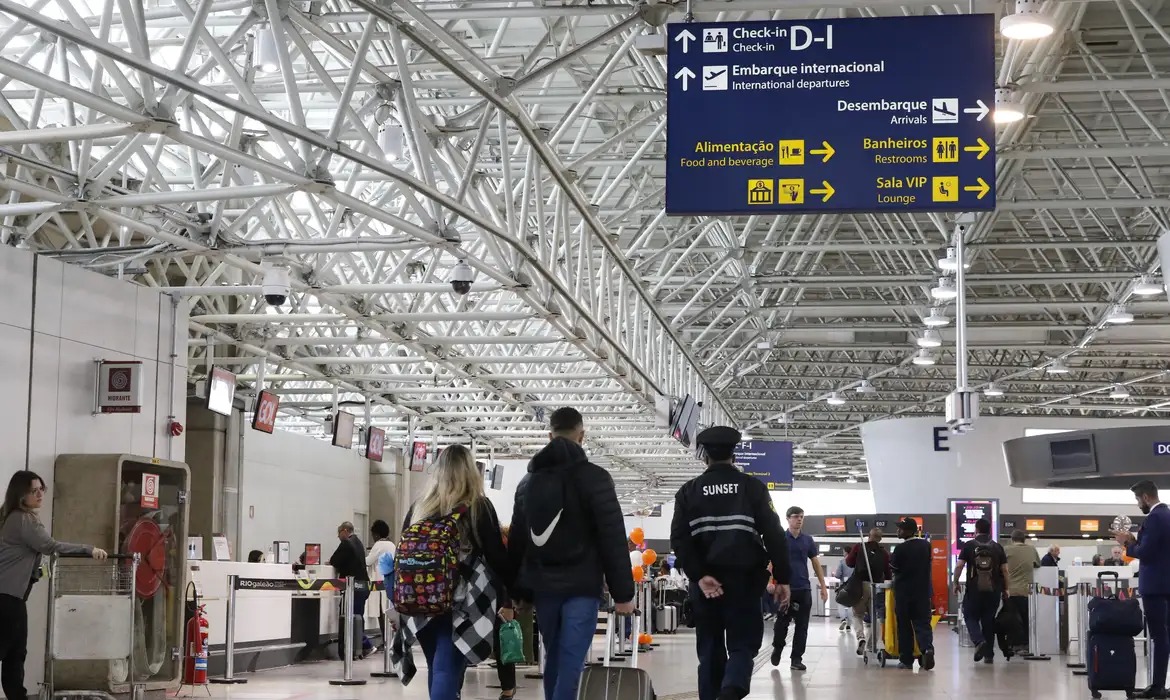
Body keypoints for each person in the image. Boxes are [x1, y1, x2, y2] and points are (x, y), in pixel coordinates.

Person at [509, 407, 634, 700]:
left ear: (550, 436)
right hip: (582, 586)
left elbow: (517, 542)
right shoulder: (596, 478)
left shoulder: (528, 483)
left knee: (554, 654)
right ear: (582, 436)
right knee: (571, 659)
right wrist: (623, 594)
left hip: (544, 587)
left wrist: (516, 592)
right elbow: (613, 537)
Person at [670, 426, 790, 700]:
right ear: (734, 455)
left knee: (709, 648)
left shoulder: (688, 492)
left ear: (705, 457)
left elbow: (679, 540)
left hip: (705, 587)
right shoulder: (753, 488)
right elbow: (774, 535)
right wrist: (783, 578)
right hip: (745, 583)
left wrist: (699, 576)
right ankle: (731, 690)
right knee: (743, 645)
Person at [398, 445, 514, 700]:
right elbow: (498, 559)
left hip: (419, 599)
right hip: (461, 602)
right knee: (445, 669)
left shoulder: (419, 507)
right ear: (470, 472)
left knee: (437, 666)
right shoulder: (478, 507)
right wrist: (513, 594)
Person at [0, 471, 108, 700]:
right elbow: (50, 546)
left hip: (10, 595)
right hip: (7, 597)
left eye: (42, 489)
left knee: (14, 653)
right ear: (21, 495)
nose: (40, 494)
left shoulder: (11, 516)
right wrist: (88, 549)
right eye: (34, 490)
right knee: (12, 652)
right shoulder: (23, 519)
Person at [1115, 480, 1169, 699]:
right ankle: (1159, 685)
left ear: (1146, 497)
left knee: (1159, 636)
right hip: (1166, 583)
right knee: (1166, 634)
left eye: (1138, 500)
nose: (1138, 504)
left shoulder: (1154, 518)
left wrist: (1126, 544)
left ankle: (1157, 686)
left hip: (1155, 586)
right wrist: (1134, 540)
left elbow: (1145, 553)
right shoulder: (1167, 515)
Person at [770, 506, 826, 671]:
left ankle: (796, 659)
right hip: (785, 587)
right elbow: (772, 562)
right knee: (781, 623)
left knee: (802, 626)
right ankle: (778, 647)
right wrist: (770, 582)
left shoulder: (807, 540)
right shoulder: (781, 538)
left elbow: (815, 563)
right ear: (788, 518)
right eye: (795, 516)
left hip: (803, 588)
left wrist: (823, 586)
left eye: (801, 516)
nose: (799, 519)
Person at [953, 518, 1009, 664]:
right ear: (989, 530)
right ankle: (989, 655)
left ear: (976, 530)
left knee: (970, 615)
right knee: (988, 619)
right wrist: (1006, 588)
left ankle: (979, 641)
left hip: (974, 590)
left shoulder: (969, 545)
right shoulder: (997, 547)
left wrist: (955, 582)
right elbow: (1005, 570)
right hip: (993, 589)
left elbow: (959, 566)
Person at [890, 517, 935, 670]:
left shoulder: (900, 549)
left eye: (900, 529)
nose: (898, 531)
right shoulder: (926, 545)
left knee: (904, 626)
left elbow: (894, 569)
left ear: (908, 531)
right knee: (923, 623)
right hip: (922, 592)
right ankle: (927, 649)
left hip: (904, 593)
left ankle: (906, 660)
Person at [329, 521, 372, 659]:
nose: (338, 536)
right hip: (363, 585)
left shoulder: (346, 543)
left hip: (353, 587)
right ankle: (359, 649)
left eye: (339, 533)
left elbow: (334, 561)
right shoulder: (358, 542)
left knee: (349, 617)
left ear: (345, 531)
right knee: (358, 617)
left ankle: (363, 646)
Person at [846, 528, 891, 655]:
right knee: (875, 617)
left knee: (857, 615)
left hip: (860, 586)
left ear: (868, 536)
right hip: (877, 587)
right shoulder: (884, 553)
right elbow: (888, 573)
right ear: (880, 539)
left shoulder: (859, 547)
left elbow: (849, 562)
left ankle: (861, 638)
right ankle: (871, 645)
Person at [1003, 529, 1040, 653]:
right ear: (1024, 539)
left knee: (1013, 619)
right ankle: (1026, 644)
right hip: (1027, 591)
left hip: (1011, 591)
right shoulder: (1032, 550)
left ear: (1012, 539)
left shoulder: (1006, 550)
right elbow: (1038, 564)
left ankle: (1015, 645)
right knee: (1026, 618)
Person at [366, 520, 396, 648]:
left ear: (376, 534)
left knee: (381, 613)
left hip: (378, 583)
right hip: (390, 581)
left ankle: (385, 641)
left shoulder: (378, 545)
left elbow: (368, 562)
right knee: (388, 611)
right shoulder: (392, 545)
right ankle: (389, 640)